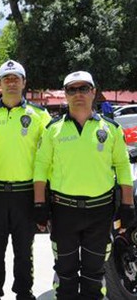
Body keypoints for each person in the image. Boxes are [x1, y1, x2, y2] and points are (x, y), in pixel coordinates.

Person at [33, 71, 135, 299]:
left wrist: (127, 204)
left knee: (94, 274)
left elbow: (122, 166)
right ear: (65, 95)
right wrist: (39, 203)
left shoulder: (111, 129)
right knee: (65, 274)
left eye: (83, 88)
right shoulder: (53, 130)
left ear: (93, 92)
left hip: (100, 212)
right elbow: (40, 167)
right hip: (63, 212)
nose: (78, 94)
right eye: (72, 89)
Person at [0, 60, 51, 300]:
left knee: (23, 251)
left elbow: (48, 158)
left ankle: (23, 293)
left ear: (24, 82)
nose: (11, 82)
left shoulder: (40, 116)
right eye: (6, 78)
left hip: (26, 194)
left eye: (15, 78)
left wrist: (44, 200)